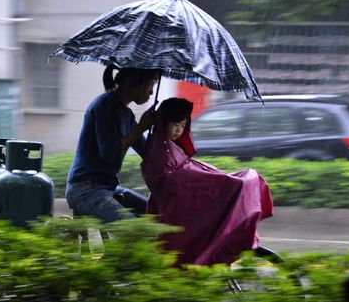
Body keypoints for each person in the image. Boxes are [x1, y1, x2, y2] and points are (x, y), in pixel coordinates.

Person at [141, 97, 273, 267]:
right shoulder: (158, 148)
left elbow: (184, 172)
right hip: (178, 205)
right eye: (175, 125)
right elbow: (171, 181)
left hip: (182, 196)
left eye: (182, 126)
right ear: (163, 121)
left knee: (238, 183)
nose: (178, 130)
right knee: (237, 185)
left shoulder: (165, 145)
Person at [66, 64, 160, 222]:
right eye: (151, 84)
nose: (151, 91)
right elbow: (110, 155)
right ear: (133, 82)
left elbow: (147, 151)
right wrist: (141, 127)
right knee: (134, 231)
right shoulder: (105, 106)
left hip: (108, 188)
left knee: (155, 217)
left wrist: (160, 128)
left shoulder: (127, 114)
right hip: (85, 189)